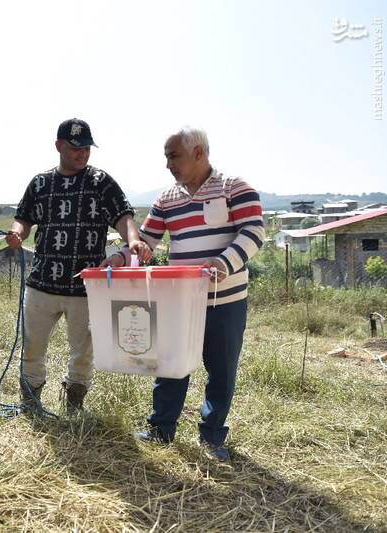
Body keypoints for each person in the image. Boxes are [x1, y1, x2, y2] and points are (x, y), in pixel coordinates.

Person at [104, 127, 264, 460]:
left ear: (198, 153)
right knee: (169, 365)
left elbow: (254, 232)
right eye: (166, 157)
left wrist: (224, 263)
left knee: (221, 370)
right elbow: (146, 241)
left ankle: (212, 437)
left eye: (173, 156)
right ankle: (160, 430)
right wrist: (121, 257)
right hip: (179, 300)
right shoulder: (167, 198)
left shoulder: (234, 188)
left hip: (225, 300)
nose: (168, 165)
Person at [6, 118, 152, 414]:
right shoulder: (40, 183)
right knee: (32, 347)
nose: (82, 153)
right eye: (75, 148)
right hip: (42, 283)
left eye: (86, 147)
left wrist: (134, 240)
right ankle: (30, 402)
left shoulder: (101, 182)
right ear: (58, 146)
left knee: (83, 353)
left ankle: (74, 405)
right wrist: (17, 233)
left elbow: (123, 217)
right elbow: (23, 217)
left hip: (86, 286)